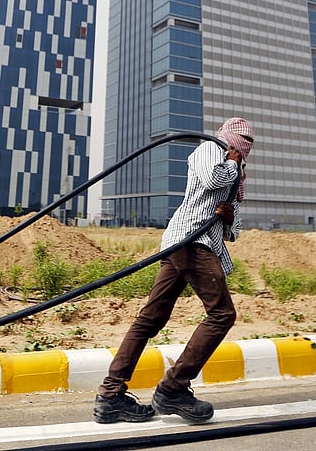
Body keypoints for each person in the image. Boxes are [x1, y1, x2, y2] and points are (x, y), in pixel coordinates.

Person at [93, 117, 255, 425]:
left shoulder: (237, 171)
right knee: (222, 315)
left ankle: (110, 396)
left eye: (249, 141)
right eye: (240, 138)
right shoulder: (211, 150)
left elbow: (234, 230)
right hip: (191, 239)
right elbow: (211, 180)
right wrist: (232, 165)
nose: (244, 145)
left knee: (150, 318)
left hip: (191, 243)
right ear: (226, 136)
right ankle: (173, 388)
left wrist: (229, 214)